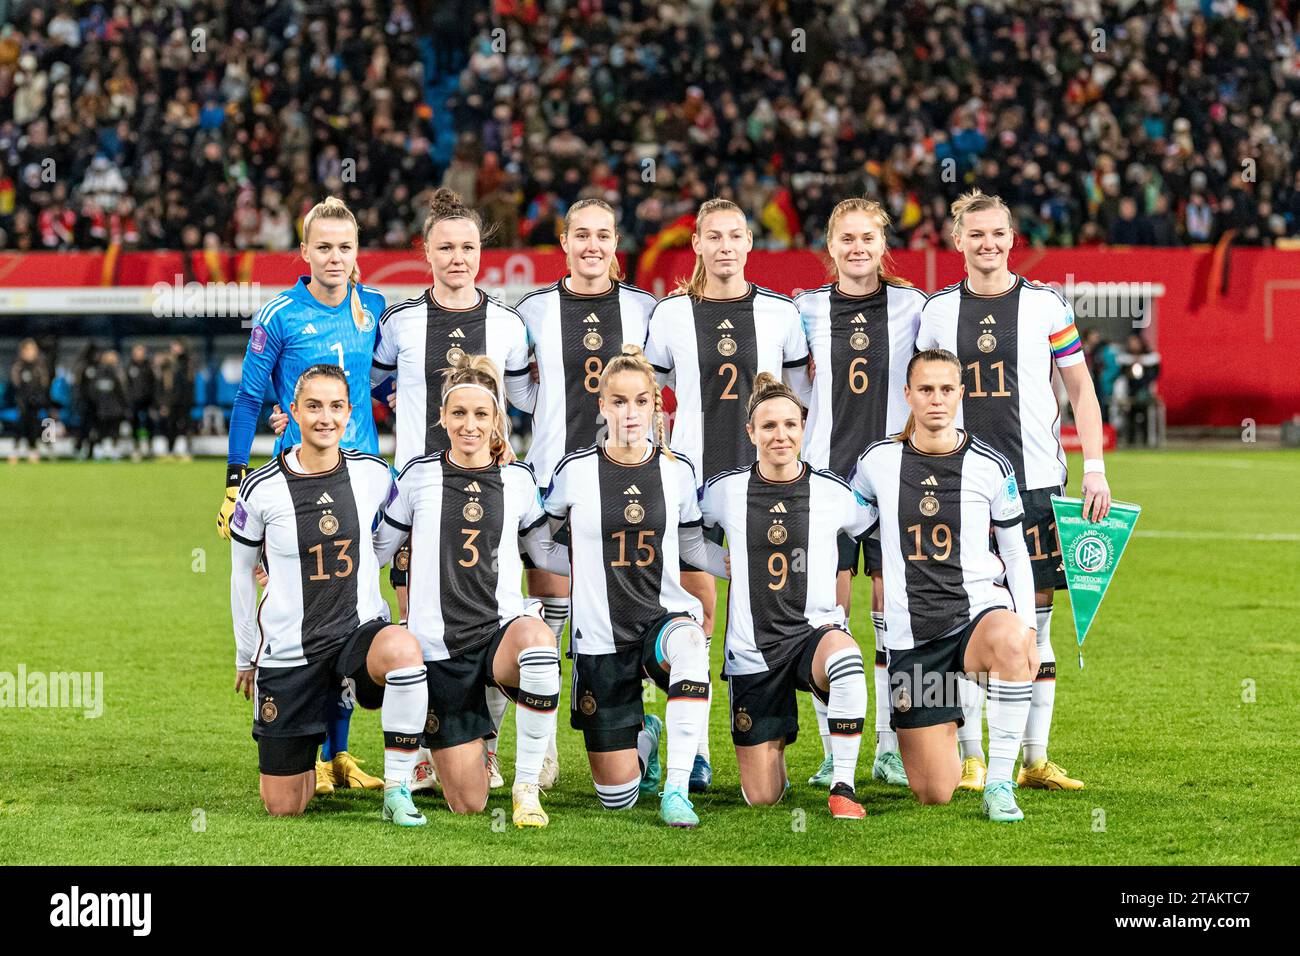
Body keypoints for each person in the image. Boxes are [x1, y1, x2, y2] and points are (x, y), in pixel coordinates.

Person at [917, 189, 1112, 792]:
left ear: (1012, 236)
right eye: (975, 234)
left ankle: (1034, 758)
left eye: (997, 233)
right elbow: (927, 394)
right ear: (957, 241)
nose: (988, 244)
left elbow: (1080, 389)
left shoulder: (1047, 306)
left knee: (1038, 627)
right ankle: (974, 758)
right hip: (963, 487)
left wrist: (1096, 467)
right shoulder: (936, 313)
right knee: (968, 620)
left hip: (1036, 486)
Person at [218, 196, 389, 794]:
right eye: (324, 246)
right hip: (297, 482)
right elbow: (248, 399)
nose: (335, 257)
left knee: (352, 608)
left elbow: (385, 381)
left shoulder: (375, 307)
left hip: (363, 480)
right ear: (305, 252)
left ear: (356, 254)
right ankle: (300, 741)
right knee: (303, 608)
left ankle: (340, 755)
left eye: (345, 247)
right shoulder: (278, 314)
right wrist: (236, 478)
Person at [644, 197, 811, 792]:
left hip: (764, 493)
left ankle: (764, 729)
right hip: (692, 490)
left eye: (734, 236)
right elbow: (648, 399)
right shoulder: (667, 317)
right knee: (698, 617)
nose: (724, 247)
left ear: (748, 244)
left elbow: (796, 403)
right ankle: (690, 749)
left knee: (768, 615)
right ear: (696, 245)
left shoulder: (780, 314)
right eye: (712, 236)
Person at [371, 186, 533, 791]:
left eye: (467, 246)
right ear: (427, 251)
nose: (458, 257)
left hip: (488, 494)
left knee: (492, 617)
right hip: (419, 497)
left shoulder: (509, 326)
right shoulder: (400, 323)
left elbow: (526, 403)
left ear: (481, 251)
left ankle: (487, 748)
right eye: (446, 247)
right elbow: (376, 392)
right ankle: (418, 751)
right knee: (418, 623)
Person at [229, 365, 428, 826]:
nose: (325, 417)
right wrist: (246, 655)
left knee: (404, 649)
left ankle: (398, 788)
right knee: (285, 804)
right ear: (293, 412)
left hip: (357, 634)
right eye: (314, 406)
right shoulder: (260, 488)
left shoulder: (375, 474)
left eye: (336, 406)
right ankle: (310, 742)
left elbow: (397, 538)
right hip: (290, 651)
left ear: (350, 413)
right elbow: (241, 574)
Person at [372, 356, 566, 828]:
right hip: (439, 652)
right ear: (442, 417)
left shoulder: (518, 481)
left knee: (539, 643)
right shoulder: (417, 475)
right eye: (459, 414)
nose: (470, 425)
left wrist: (604, 561)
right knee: (470, 803)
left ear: (497, 419)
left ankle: (525, 788)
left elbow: (545, 553)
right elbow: (378, 550)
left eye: (481, 415)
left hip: (498, 636)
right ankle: (431, 747)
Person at [851, 349, 1039, 822]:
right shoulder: (878, 462)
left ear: (961, 394)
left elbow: (1015, 553)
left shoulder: (991, 465)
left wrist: (1030, 628)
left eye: (946, 389)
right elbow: (849, 520)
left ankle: (999, 782)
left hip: (976, 617)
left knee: (1013, 643)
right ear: (908, 395)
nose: (937, 399)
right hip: (913, 640)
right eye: (926, 390)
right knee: (936, 791)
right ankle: (948, 715)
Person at [543, 345, 724, 827]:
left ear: (654, 405)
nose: (629, 412)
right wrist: (585, 569)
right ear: (602, 407)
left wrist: (741, 565)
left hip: (660, 620)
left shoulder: (678, 471)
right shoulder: (573, 472)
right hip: (600, 638)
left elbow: (692, 550)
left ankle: (678, 789)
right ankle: (647, 736)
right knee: (617, 797)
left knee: (689, 645)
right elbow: (540, 547)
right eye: (619, 402)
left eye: (641, 401)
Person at [515, 198, 657, 789]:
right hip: (552, 478)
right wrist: (553, 414)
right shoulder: (535, 309)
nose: (592, 245)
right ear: (565, 242)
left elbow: (660, 384)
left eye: (603, 234)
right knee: (552, 613)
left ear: (615, 243)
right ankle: (542, 751)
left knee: (630, 609)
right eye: (581, 235)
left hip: (628, 482)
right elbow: (519, 390)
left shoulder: (643, 310)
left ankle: (637, 730)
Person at [698, 372, 872, 819]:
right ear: (751, 432)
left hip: (812, 635)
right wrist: (723, 565)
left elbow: (875, 528)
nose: (782, 435)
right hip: (752, 654)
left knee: (847, 660)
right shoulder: (723, 490)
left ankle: (843, 785)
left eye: (791, 425)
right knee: (763, 797)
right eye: (770, 426)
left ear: (803, 427)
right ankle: (775, 754)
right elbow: (682, 535)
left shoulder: (834, 492)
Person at [795, 197, 925, 790]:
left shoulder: (912, 307)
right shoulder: (807, 310)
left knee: (895, 616)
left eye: (868, 238)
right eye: (846, 238)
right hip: (827, 480)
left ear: (882, 244)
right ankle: (830, 747)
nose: (857, 248)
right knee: (830, 615)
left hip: (894, 480)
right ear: (830, 247)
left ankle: (890, 745)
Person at [1116, 332, 1160, 446]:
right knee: (1130, 416)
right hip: (1130, 392)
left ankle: (1146, 441)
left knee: (1145, 416)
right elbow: (1121, 371)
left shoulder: (1149, 356)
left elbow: (1156, 370)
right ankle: (1130, 441)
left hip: (1144, 391)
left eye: (1135, 342)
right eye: (1131, 343)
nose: (1134, 345)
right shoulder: (1125, 358)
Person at [9, 338, 49, 463]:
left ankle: (33, 450)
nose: (31, 352)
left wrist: (38, 397)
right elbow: (15, 383)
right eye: (28, 349)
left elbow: (44, 383)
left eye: (33, 349)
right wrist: (21, 398)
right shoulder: (18, 366)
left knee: (33, 425)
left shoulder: (39, 367)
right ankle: (15, 451)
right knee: (20, 424)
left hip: (35, 402)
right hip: (22, 401)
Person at [157, 339, 195, 460]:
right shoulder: (167, 364)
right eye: (173, 346)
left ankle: (186, 450)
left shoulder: (186, 362)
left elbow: (189, 382)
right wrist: (164, 403)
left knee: (185, 426)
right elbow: (163, 385)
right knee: (170, 426)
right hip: (171, 401)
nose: (175, 349)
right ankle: (170, 450)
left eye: (177, 346)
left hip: (185, 400)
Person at [91, 350, 128, 460]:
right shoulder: (117, 373)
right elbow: (122, 392)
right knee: (113, 432)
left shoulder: (98, 373)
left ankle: (101, 451)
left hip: (103, 409)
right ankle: (110, 451)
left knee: (103, 431)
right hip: (113, 409)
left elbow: (93, 392)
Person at [125, 343, 156, 460]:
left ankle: (149, 448)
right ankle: (136, 449)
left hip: (148, 402)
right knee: (135, 426)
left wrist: (154, 402)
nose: (139, 355)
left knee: (149, 425)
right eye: (137, 352)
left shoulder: (149, 367)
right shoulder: (129, 367)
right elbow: (127, 386)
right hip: (133, 402)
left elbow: (154, 385)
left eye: (141, 352)